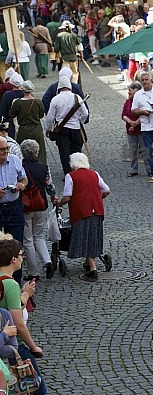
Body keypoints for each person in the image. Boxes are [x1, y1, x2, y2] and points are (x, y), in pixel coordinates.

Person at [0, 236, 47, 395]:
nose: (23, 258)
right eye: (21, 255)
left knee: (12, 392)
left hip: (3, 342)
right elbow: (18, 323)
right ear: (13, 259)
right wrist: (33, 347)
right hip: (14, 345)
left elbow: (7, 309)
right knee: (37, 388)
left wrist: (25, 295)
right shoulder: (11, 284)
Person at [56, 153, 110, 280]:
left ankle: (93, 269)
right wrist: (98, 199)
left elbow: (68, 196)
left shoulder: (71, 176)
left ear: (73, 164)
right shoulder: (94, 174)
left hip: (81, 211)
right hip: (97, 210)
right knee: (93, 236)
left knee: (85, 236)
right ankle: (88, 263)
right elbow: (106, 190)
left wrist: (59, 204)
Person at [20, 140, 56, 280]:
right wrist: (54, 197)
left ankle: (34, 272)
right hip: (41, 204)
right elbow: (50, 186)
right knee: (38, 236)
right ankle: (47, 262)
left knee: (28, 240)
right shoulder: (44, 167)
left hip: (27, 207)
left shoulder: (21, 167)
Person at [43, 76, 89, 176]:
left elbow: (50, 117)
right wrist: (79, 121)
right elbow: (85, 114)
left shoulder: (55, 99)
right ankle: (77, 173)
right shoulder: (77, 97)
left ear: (59, 87)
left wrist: (47, 129)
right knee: (76, 151)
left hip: (62, 130)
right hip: (76, 129)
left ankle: (68, 174)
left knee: (64, 153)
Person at [0, 137, 27, 284]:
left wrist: (21, 185)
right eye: (2, 150)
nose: (5, 152)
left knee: (17, 244)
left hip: (14, 206)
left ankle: (16, 281)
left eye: (6, 149)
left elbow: (24, 179)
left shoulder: (15, 159)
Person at [9, 81, 46, 163]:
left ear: (22, 89)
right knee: (40, 153)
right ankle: (40, 169)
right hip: (36, 129)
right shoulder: (38, 102)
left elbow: (12, 114)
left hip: (23, 130)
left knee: (22, 152)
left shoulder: (18, 102)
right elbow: (41, 115)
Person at [121, 81, 150, 178]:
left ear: (136, 91)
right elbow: (123, 114)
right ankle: (134, 169)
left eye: (130, 90)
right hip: (130, 129)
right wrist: (130, 122)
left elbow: (145, 114)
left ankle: (149, 169)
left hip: (141, 129)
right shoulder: (127, 101)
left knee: (144, 150)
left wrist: (136, 123)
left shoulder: (141, 101)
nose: (128, 92)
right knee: (133, 150)